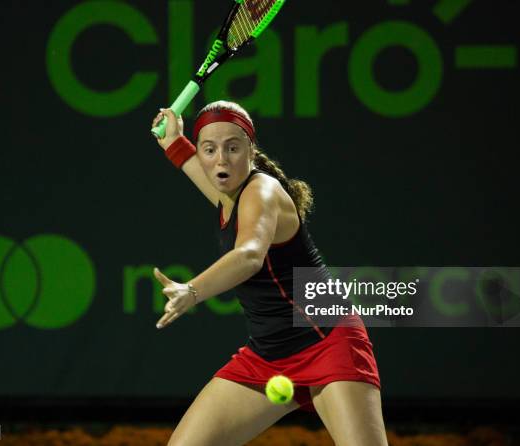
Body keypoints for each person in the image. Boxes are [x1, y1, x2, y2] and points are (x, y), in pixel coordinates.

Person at [151, 101, 388, 446]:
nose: (221, 159)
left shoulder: (261, 191)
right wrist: (174, 141)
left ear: (251, 149)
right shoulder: (226, 191)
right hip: (269, 354)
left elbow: (249, 256)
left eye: (233, 147)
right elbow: (192, 165)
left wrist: (193, 289)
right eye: (210, 149)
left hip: (327, 341)